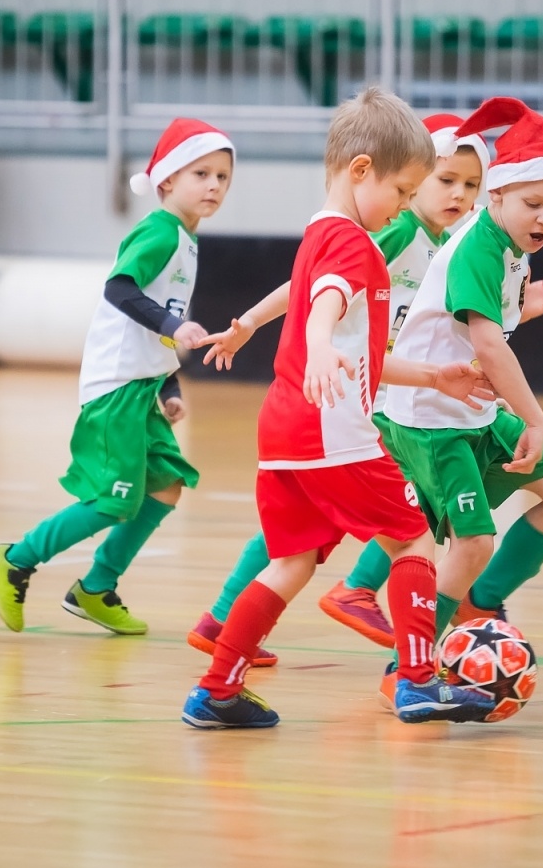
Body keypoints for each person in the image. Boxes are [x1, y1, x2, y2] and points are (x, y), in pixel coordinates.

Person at [179, 88, 497, 729]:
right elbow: (326, 302)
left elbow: (351, 340)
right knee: (411, 536)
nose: (405, 205)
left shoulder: (319, 233)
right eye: (402, 191)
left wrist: (433, 376)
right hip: (332, 431)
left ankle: (216, 691)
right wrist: (320, 343)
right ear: (360, 170)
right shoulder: (354, 245)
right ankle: (418, 682)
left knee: (290, 562)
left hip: (284, 430)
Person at [372, 95, 543, 703]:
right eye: (534, 203)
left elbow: (484, 325)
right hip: (430, 420)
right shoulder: (479, 245)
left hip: (472, 410)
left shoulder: (510, 249)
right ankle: (407, 669)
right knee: (470, 543)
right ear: (496, 193)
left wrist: (528, 308)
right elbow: (487, 344)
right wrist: (534, 416)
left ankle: (481, 601)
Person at [0, 119, 233, 636]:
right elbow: (119, 289)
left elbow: (158, 319)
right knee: (115, 500)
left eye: (223, 177)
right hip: (117, 388)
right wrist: (173, 328)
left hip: (144, 387)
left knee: (165, 487)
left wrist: (168, 384)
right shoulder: (159, 231)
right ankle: (15, 558)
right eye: (201, 173)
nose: (214, 185)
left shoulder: (186, 239)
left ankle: (95, 588)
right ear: (166, 180)